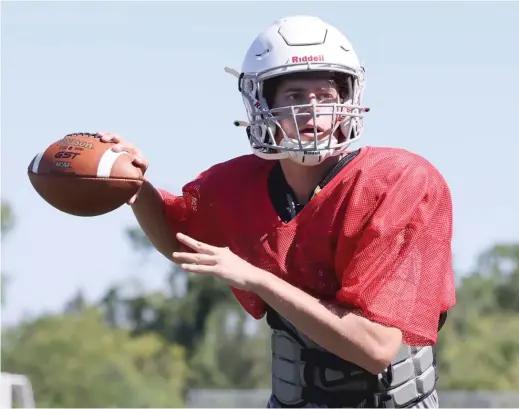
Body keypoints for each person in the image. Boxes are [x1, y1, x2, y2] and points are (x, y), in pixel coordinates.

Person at [97, 15, 456, 408]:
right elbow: (182, 243)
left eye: (325, 95)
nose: (312, 111)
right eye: (295, 96)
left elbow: (376, 347)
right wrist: (131, 185)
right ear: (261, 103)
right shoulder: (237, 184)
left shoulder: (398, 182)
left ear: (348, 100)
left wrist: (257, 279)